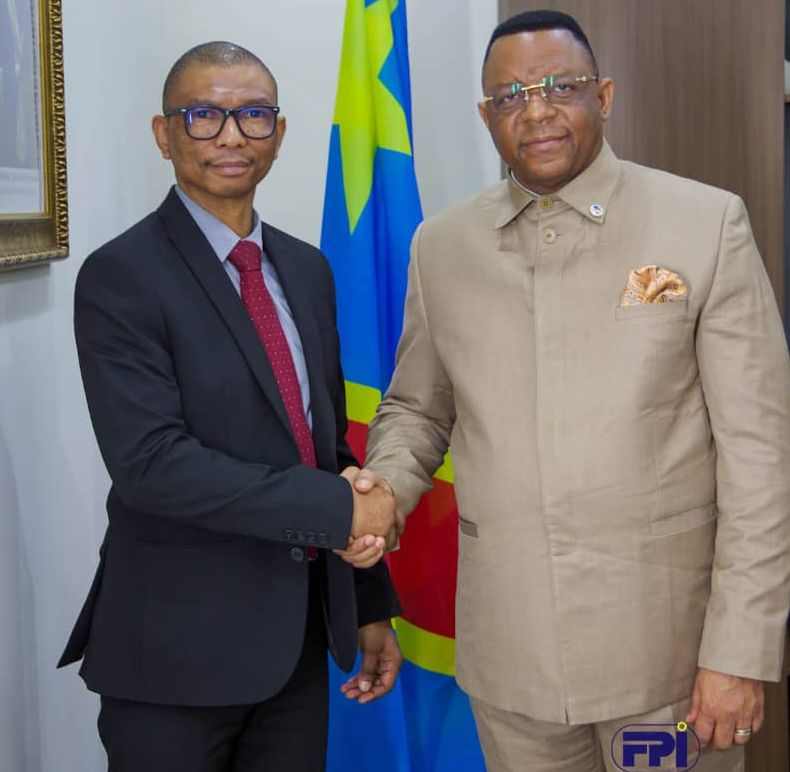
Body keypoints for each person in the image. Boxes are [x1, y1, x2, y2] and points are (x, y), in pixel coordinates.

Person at [353, 10, 790, 772]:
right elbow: (419, 406)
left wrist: (740, 650)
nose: (537, 110)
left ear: (606, 95)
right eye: (511, 95)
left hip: (671, 664)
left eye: (562, 86)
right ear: (487, 116)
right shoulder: (442, 247)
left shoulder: (703, 223)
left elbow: (761, 461)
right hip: (510, 660)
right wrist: (385, 484)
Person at [58, 41, 403, 772]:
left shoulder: (306, 269)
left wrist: (368, 599)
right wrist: (340, 510)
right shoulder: (121, 276)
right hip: (174, 659)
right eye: (203, 115)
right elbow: (153, 464)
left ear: (278, 133)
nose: (230, 136)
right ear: (164, 134)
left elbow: (327, 447)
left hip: (298, 650)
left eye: (252, 115)